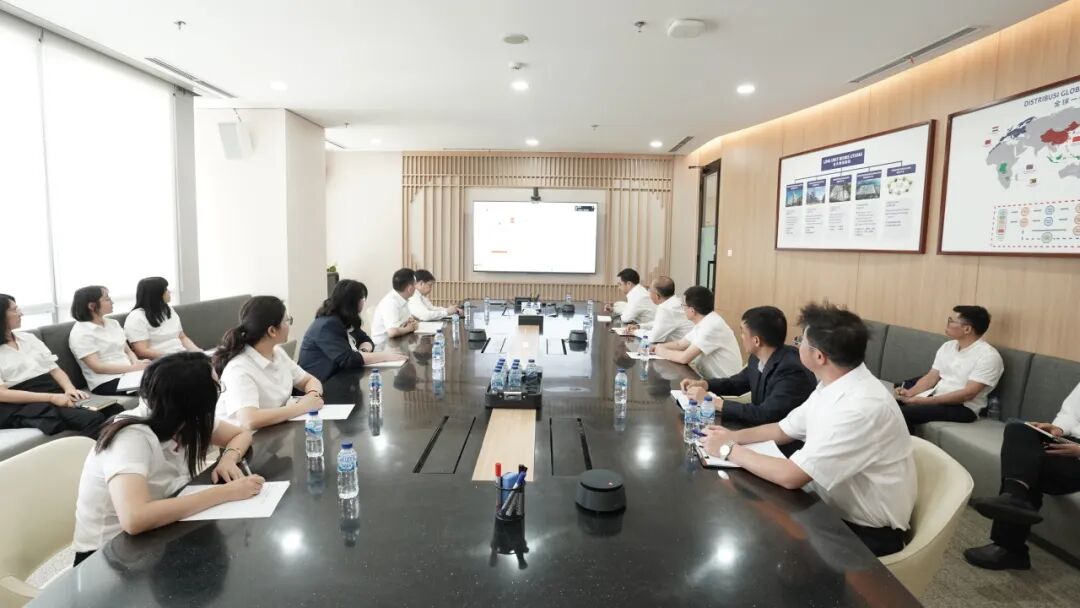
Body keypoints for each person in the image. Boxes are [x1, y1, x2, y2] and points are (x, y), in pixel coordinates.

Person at [702, 302, 916, 557]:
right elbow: (783, 429)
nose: (795, 345)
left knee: (754, 540)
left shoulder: (860, 408)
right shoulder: (832, 384)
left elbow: (792, 476)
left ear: (819, 356)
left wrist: (728, 449)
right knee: (748, 518)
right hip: (826, 504)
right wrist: (732, 436)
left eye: (800, 341)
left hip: (861, 533)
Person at [72, 352, 263, 566]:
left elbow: (240, 434)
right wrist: (226, 492)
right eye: (216, 387)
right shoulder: (130, 437)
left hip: (158, 534)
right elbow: (134, 519)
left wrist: (228, 458)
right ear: (194, 402)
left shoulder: (184, 419)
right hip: (110, 557)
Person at [964, 382, 1080, 571]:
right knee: (1019, 430)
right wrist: (1057, 429)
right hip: (1069, 441)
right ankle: (1014, 498)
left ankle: (1010, 548)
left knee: (1026, 466)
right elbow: (1071, 414)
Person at [681, 306, 815, 426]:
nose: (741, 336)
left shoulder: (792, 370)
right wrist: (705, 384)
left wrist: (712, 402)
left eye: (743, 332)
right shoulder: (757, 358)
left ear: (756, 341)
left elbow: (766, 415)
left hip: (779, 440)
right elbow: (736, 383)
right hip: (759, 429)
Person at [0, 294, 111, 438]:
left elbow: (54, 369)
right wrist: (51, 397)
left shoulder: (28, 338)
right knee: (93, 419)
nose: (21, 313)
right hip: (24, 401)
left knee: (113, 409)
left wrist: (70, 389)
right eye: (15, 310)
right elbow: (2, 394)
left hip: (51, 389)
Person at [212, 296, 324, 430]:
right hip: (245, 438)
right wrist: (302, 407)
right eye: (287, 321)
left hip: (274, 432)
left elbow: (309, 380)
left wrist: (312, 395)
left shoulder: (277, 353)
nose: (289, 325)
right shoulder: (239, 368)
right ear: (272, 331)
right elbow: (250, 420)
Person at [896, 305, 1003, 433]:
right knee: (887, 406)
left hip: (962, 408)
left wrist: (926, 401)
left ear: (967, 329)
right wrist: (910, 393)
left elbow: (968, 394)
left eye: (951, 321)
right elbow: (931, 377)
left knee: (901, 414)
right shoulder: (948, 346)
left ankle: (906, 445)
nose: (948, 324)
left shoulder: (988, 356)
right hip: (936, 396)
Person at [299, 280, 408, 381]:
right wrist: (385, 356)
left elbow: (366, 339)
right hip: (318, 385)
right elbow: (348, 359)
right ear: (353, 301)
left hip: (339, 377)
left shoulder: (344, 319)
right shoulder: (327, 325)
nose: (363, 303)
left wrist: (363, 352)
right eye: (362, 299)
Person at [69, 286, 149, 395]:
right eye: (107, 299)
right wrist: (134, 368)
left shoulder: (113, 323)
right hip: (106, 381)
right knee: (158, 385)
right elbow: (98, 368)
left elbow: (127, 350)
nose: (112, 302)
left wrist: (136, 362)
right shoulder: (81, 333)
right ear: (92, 306)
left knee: (167, 375)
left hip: (130, 373)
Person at [653, 286, 741, 379]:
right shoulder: (705, 320)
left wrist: (661, 351)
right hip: (708, 379)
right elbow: (680, 344)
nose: (682, 309)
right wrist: (657, 347)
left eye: (683, 306)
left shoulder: (711, 326)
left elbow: (684, 358)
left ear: (692, 310)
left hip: (725, 384)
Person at [125, 277, 202, 360]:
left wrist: (198, 352)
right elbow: (142, 351)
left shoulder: (169, 310)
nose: (169, 292)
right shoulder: (136, 317)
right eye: (165, 289)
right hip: (162, 361)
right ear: (156, 294)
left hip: (181, 356)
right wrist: (174, 357)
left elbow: (182, 337)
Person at [624, 276, 692, 343]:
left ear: (657, 296)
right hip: (683, 344)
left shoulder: (666, 309)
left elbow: (653, 338)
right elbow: (659, 324)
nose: (648, 293)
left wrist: (635, 332)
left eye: (650, 291)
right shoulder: (675, 301)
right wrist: (639, 326)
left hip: (681, 347)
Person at [371, 268, 420, 345]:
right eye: (415, 284)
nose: (416, 287)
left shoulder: (402, 298)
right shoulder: (391, 302)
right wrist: (409, 328)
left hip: (396, 341)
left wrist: (409, 322)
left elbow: (403, 322)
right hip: (382, 346)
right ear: (410, 288)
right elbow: (392, 332)